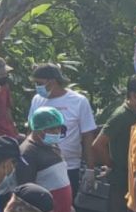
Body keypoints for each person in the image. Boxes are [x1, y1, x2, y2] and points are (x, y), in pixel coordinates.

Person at [92, 76, 136, 212]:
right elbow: (98, 145)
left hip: (134, 178)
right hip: (121, 179)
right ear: (133, 95)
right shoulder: (121, 116)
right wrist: (111, 163)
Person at [29, 63, 97, 198]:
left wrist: (90, 169)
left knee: (65, 208)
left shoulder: (78, 101)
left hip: (68, 166)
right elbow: (31, 131)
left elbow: (88, 136)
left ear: (52, 82)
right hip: (41, 166)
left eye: (39, 83)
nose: (37, 87)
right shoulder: (37, 100)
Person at [18, 107, 74, 212]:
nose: (56, 132)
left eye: (58, 128)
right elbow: (26, 190)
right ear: (38, 129)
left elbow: (60, 177)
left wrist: (69, 206)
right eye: (52, 129)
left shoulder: (52, 146)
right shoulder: (28, 152)